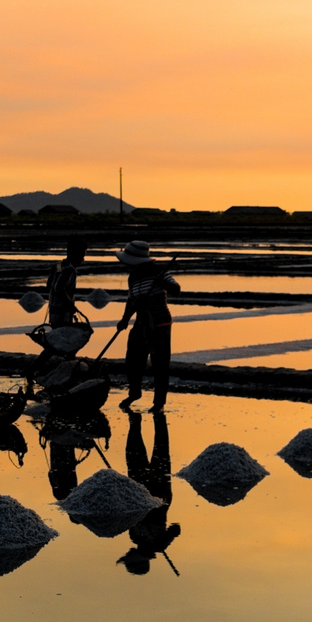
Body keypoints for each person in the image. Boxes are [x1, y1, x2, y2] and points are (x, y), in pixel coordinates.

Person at [114, 240, 179, 411]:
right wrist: (124, 319)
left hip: (160, 324)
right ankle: (134, 392)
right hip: (141, 323)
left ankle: (159, 403)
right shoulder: (133, 277)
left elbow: (176, 289)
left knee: (160, 364)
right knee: (133, 360)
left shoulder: (158, 272)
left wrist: (162, 283)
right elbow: (131, 300)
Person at [117, 410, 180, 575]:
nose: (127, 553)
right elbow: (176, 529)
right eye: (129, 556)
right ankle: (159, 417)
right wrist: (164, 541)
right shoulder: (158, 543)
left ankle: (135, 421)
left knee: (134, 453)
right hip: (159, 492)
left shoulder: (134, 537)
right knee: (161, 450)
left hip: (140, 489)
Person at [46, 238, 86, 328]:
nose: (83, 259)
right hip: (62, 317)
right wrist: (70, 304)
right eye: (81, 255)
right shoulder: (70, 270)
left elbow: (49, 285)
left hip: (53, 314)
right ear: (74, 254)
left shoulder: (59, 265)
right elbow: (59, 288)